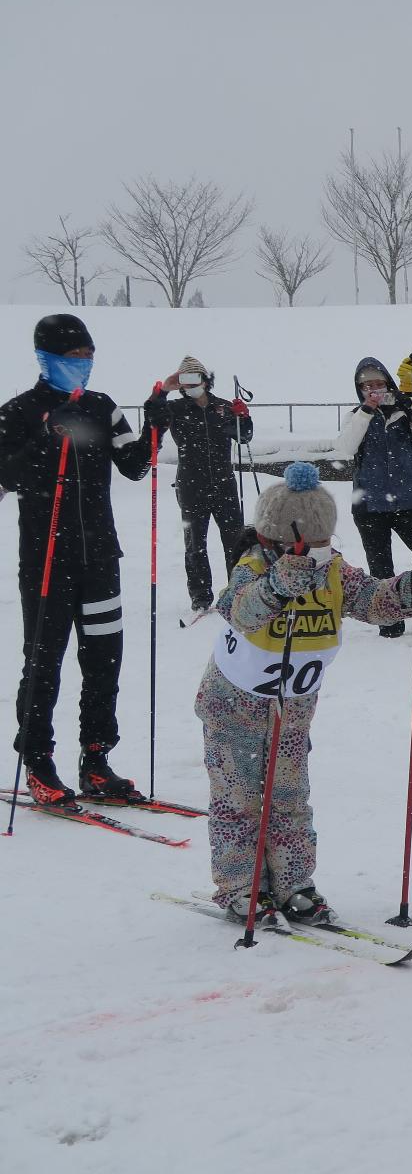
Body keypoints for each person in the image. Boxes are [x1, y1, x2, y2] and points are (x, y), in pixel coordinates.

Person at [198, 462, 412, 923]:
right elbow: (239, 610)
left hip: (292, 712)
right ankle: (241, 887)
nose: (314, 554)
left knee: (289, 799)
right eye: (305, 546)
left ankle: (293, 883)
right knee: (240, 802)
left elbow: (372, 599)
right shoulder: (252, 564)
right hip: (234, 709)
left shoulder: (330, 568)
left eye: (320, 544)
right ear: (275, 538)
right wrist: (278, 585)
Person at [0, 314, 153, 805]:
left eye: (87, 357)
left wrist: (155, 420)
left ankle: (96, 758)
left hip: (100, 557)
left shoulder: (102, 408)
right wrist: (43, 441)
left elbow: (135, 466)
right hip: (46, 560)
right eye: (71, 358)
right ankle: (39, 760)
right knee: (44, 662)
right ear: (45, 358)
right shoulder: (18, 412)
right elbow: (4, 478)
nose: (81, 366)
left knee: (104, 661)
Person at [333, 357, 412, 638]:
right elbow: (346, 447)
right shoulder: (356, 415)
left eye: (379, 383)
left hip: (410, 500)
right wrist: (367, 411)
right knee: (381, 566)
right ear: (359, 389)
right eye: (367, 385)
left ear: (388, 383)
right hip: (370, 504)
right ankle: (389, 623)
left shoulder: (404, 410)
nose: (374, 389)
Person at [147, 356, 252, 612]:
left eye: (196, 379)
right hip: (190, 486)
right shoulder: (176, 409)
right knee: (195, 544)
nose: (191, 385)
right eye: (186, 381)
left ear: (206, 380)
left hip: (224, 484)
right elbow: (152, 417)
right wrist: (162, 391)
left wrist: (243, 418)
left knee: (235, 541)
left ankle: (237, 591)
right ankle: (201, 597)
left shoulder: (223, 407)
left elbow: (244, 437)